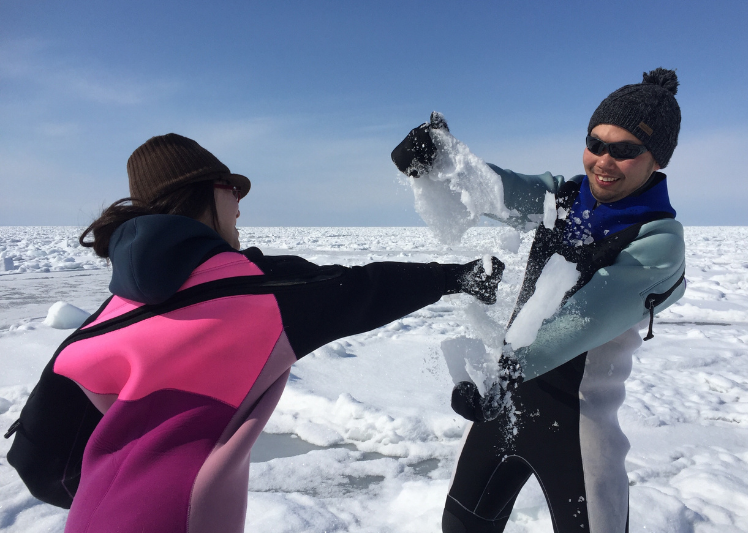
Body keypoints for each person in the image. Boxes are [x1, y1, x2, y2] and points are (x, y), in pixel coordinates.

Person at [54, 133, 504, 533]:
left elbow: (38, 460)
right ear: (200, 196)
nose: (239, 202)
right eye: (230, 188)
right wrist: (457, 277)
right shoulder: (253, 288)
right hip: (178, 517)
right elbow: (363, 290)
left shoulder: (107, 313)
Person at [392, 68, 686, 533]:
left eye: (625, 150)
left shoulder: (658, 241)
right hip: (503, 406)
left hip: (577, 429)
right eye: (596, 143)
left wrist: (493, 372)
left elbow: (583, 318)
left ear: (656, 159)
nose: (604, 161)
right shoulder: (565, 196)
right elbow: (499, 189)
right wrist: (440, 160)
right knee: (461, 525)